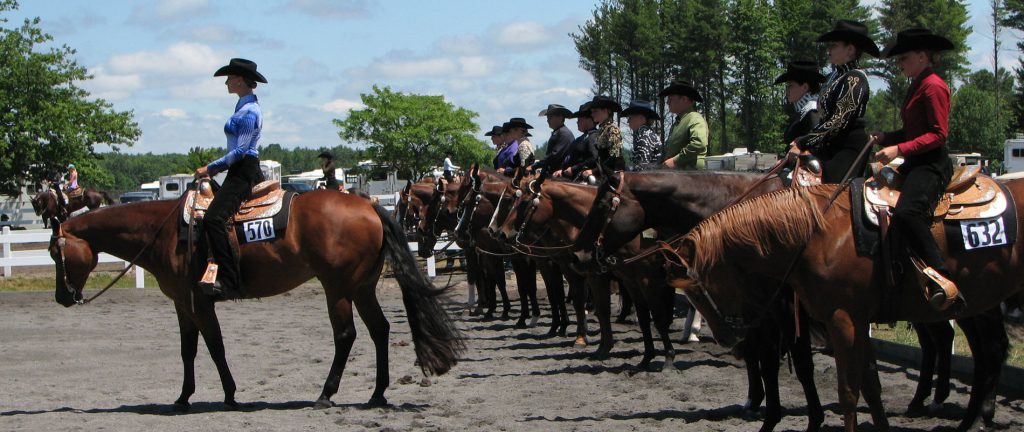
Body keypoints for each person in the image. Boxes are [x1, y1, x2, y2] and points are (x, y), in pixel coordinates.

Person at [871, 28, 960, 310]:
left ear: (922, 56)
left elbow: (938, 135)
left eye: (904, 58)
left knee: (909, 212)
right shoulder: (918, 84)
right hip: (916, 162)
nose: (899, 64)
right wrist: (888, 137)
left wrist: (899, 149)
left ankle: (944, 280)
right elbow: (913, 130)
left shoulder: (933, 86)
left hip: (932, 164)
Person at [195, 58, 268, 299]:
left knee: (213, 219)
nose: (226, 81)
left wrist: (211, 168)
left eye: (229, 77)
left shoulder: (249, 111)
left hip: (242, 169)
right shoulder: (243, 107)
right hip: (241, 169)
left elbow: (241, 151)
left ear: (239, 79)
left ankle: (229, 280)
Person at [790, 20, 878, 184]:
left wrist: (804, 141)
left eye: (834, 46)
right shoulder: (832, 77)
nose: (828, 50)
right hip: (829, 145)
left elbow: (838, 121)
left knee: (828, 189)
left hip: (848, 147)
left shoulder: (855, 79)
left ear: (850, 50)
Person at [659, 80, 709, 170]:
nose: (667, 102)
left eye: (671, 99)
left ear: (684, 99)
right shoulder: (678, 123)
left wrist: (675, 160)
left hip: (690, 178)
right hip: (678, 177)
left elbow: (699, 143)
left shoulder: (694, 118)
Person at [774, 61, 825, 144]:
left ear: (805, 87)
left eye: (790, 86)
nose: (787, 90)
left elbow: (816, 144)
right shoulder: (803, 111)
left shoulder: (813, 110)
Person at [554, 102, 598, 180]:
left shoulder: (593, 136)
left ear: (589, 119)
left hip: (581, 177)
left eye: (579, 119)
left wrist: (574, 169)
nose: (577, 122)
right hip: (570, 175)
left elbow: (593, 158)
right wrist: (562, 170)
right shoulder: (582, 137)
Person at [588, 95, 624, 179]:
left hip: (615, 175)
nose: (592, 114)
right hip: (604, 173)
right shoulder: (601, 130)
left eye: (595, 111)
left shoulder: (613, 129)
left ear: (605, 111)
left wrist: (594, 171)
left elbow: (614, 157)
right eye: (592, 111)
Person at [533, 104, 576, 174]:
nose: (547, 120)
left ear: (560, 117)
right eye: (547, 118)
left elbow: (554, 156)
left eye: (550, 117)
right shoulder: (559, 132)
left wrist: (535, 165)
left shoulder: (564, 133)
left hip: (560, 174)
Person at [621, 100, 663, 170]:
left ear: (641, 118)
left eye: (630, 117)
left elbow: (642, 169)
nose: (628, 121)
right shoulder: (648, 134)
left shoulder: (645, 137)